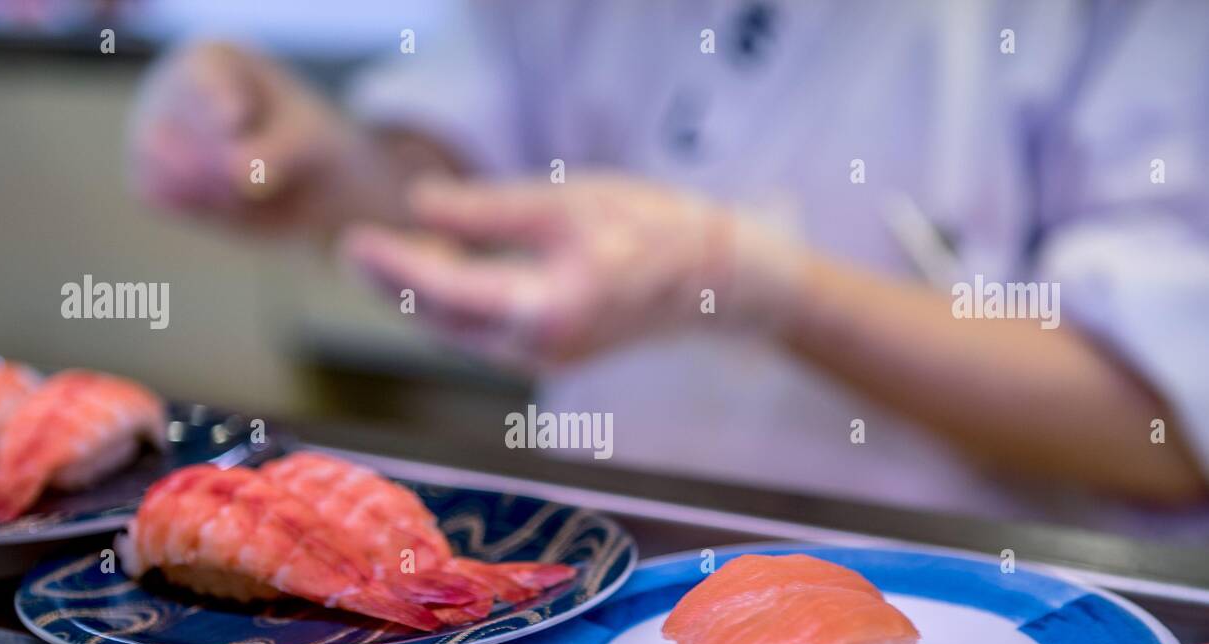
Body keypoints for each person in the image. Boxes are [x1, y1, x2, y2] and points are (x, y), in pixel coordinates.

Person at [127, 0, 1209, 529]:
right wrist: (304, 161)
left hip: (987, 640)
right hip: (598, 589)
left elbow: (1168, 421)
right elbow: (460, 181)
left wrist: (761, 285)